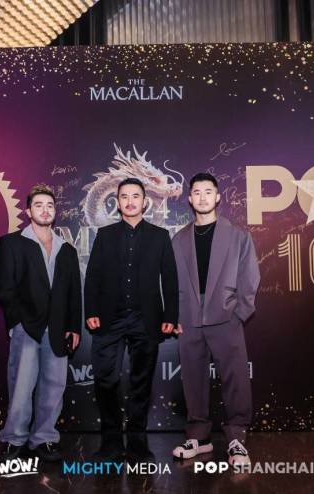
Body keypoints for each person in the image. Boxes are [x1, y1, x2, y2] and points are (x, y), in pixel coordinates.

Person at [84, 177, 179, 461]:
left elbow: (170, 279)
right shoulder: (105, 235)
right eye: (124, 196)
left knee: (141, 382)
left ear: (144, 201)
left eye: (135, 196)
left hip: (145, 319)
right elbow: (93, 277)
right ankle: (111, 443)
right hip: (108, 319)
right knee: (105, 379)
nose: (130, 201)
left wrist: (170, 315)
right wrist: (91, 311)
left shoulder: (160, 236)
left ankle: (137, 443)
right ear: (117, 202)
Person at [170, 172, 260, 466]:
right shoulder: (179, 239)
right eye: (197, 192)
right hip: (189, 319)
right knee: (193, 379)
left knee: (235, 378)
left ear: (218, 197)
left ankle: (237, 439)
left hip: (226, 317)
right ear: (189, 198)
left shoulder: (238, 236)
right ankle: (198, 437)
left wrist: (239, 314)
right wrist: (175, 316)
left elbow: (250, 278)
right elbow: (169, 282)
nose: (202, 197)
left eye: (208, 191)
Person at [0, 184, 82, 462]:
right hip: (27, 327)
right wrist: (17, 321)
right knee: (21, 386)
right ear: (28, 211)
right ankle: (14, 439)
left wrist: (73, 326)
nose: (45, 210)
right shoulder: (11, 243)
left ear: (55, 212)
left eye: (50, 205)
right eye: (39, 205)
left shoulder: (66, 249)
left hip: (58, 329)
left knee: (54, 387)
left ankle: (44, 438)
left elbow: (73, 293)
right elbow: (4, 289)